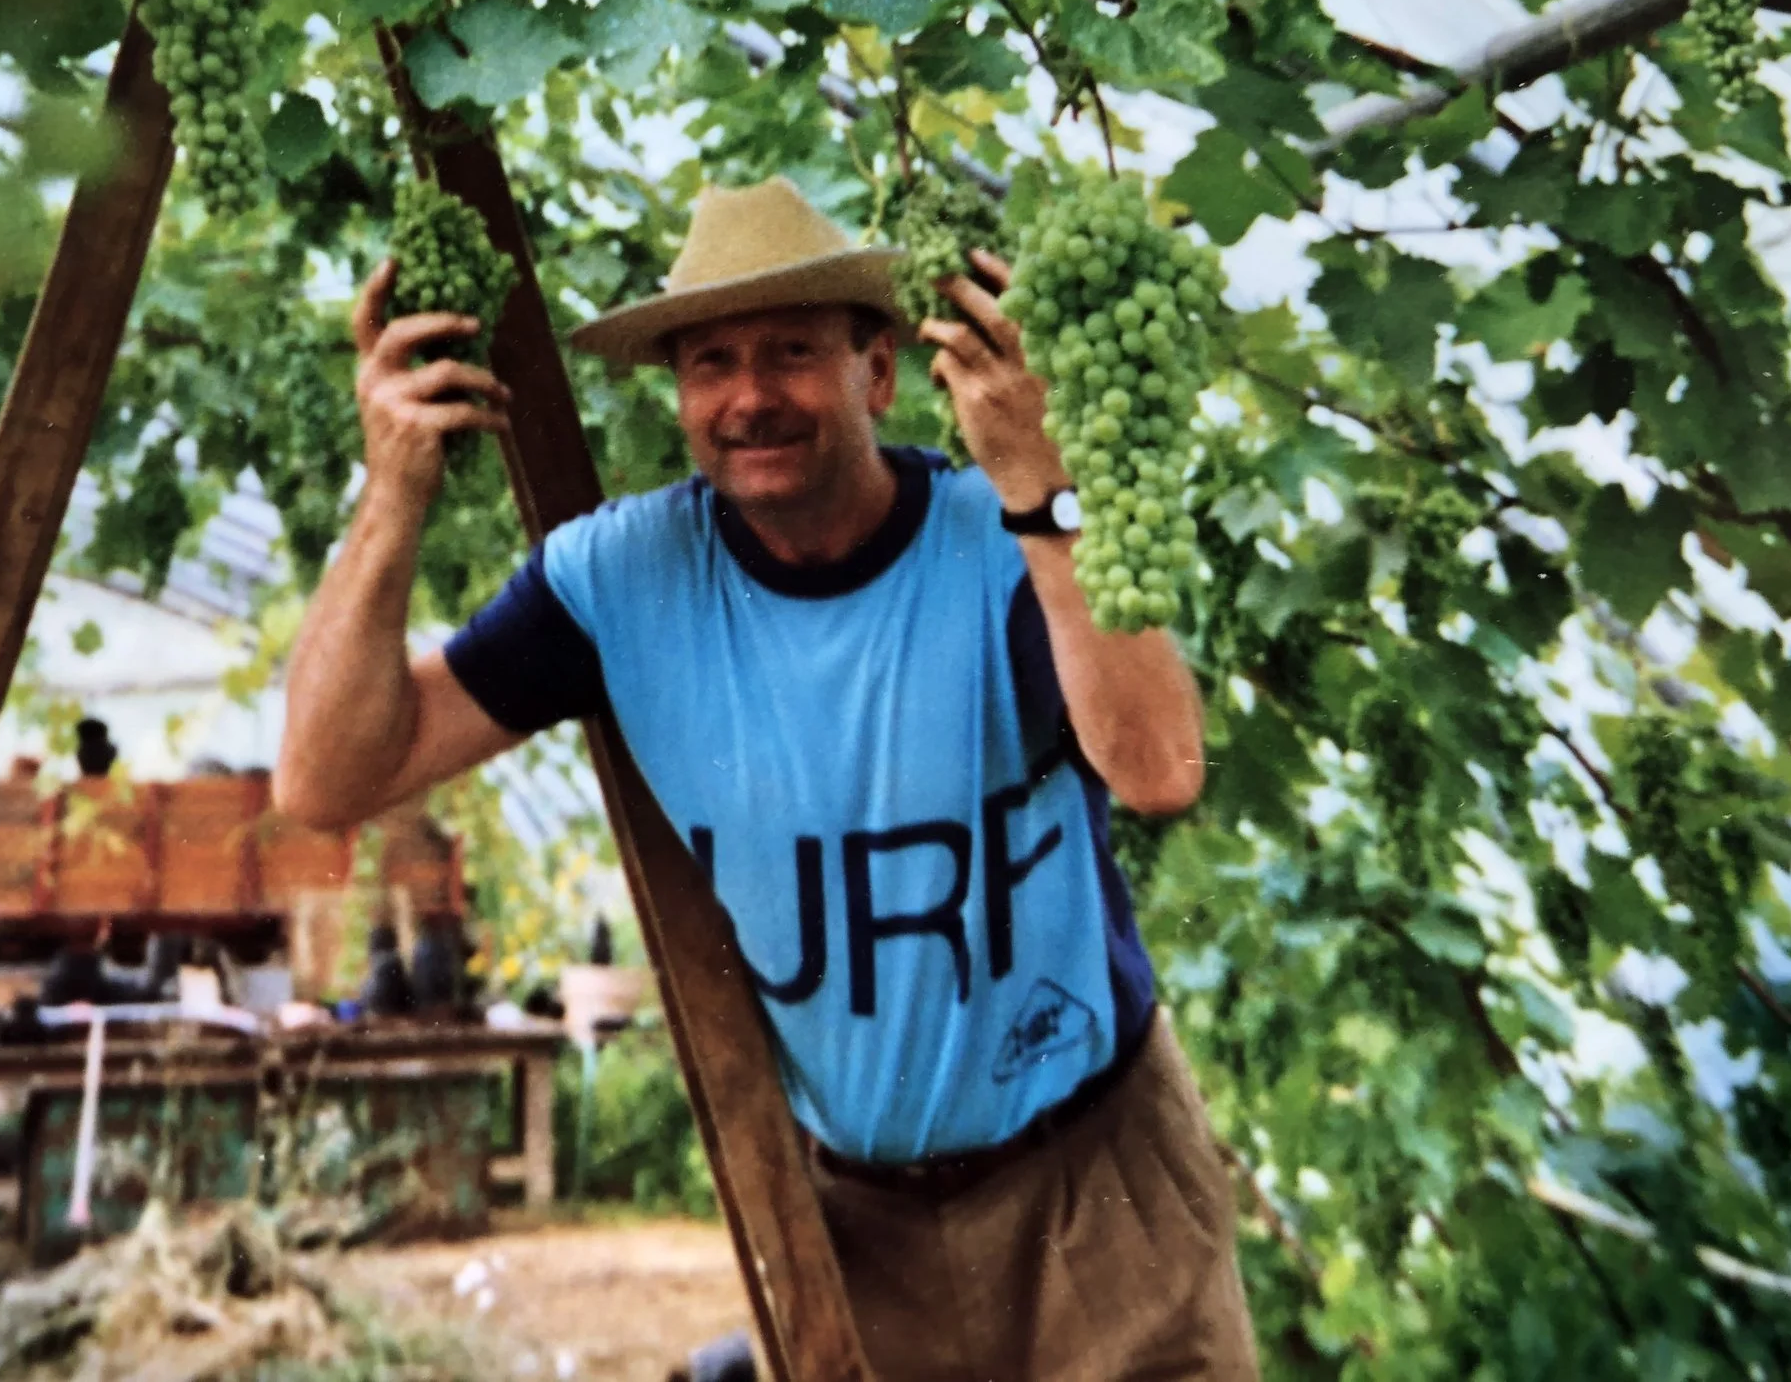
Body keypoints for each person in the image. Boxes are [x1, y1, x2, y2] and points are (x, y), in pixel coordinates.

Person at [278, 177, 1256, 1379]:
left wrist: (1044, 493)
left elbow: (1158, 769)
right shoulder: (618, 585)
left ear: (878, 373)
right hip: (850, 1226)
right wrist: (391, 498)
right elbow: (325, 781)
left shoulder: (993, 545)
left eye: (792, 352)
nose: (748, 397)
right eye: (710, 362)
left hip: (1097, 1187)